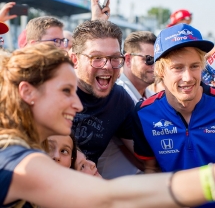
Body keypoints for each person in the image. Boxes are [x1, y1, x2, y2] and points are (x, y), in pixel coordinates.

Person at [1, 43, 215, 208]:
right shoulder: (14, 159)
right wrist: (208, 181)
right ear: (27, 92)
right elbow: (108, 196)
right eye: (66, 91)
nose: (77, 105)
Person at [132, 23, 215, 207]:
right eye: (177, 68)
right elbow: (151, 169)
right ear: (160, 70)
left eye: (194, 66)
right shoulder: (144, 114)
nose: (188, 77)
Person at [70, 19, 138, 169]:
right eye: (97, 58)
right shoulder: (52, 91)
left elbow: (143, 154)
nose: (107, 66)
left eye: (114, 58)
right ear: (75, 60)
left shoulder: (120, 99)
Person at [98, 31, 156, 178]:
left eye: (159, 60)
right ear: (128, 60)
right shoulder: (116, 93)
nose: (154, 66)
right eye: (149, 59)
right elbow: (142, 159)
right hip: (112, 188)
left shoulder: (150, 96)